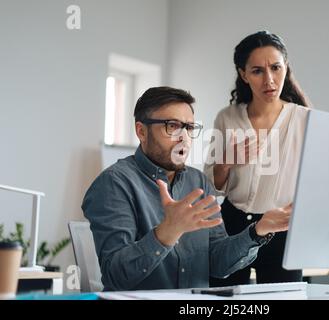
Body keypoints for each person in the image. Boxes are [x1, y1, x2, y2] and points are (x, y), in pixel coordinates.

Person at [81, 86, 292, 291]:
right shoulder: (113, 184)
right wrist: (166, 233)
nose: (184, 137)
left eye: (189, 128)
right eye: (172, 126)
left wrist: (258, 231)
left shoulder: (198, 182)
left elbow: (218, 263)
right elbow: (115, 275)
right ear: (141, 131)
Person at [204, 31, 311, 286]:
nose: (270, 80)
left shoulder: (305, 120)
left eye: (276, 68)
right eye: (257, 71)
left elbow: (319, 180)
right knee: (223, 300)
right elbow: (213, 184)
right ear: (243, 74)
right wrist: (227, 160)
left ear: (286, 67)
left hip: (281, 229)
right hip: (232, 224)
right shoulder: (227, 118)